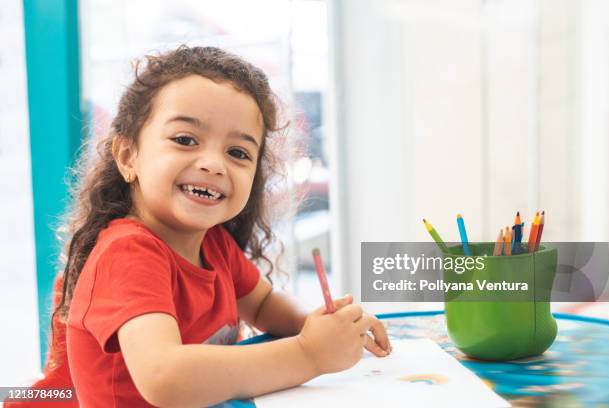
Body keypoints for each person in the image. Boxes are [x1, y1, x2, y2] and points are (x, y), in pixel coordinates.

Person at [11, 46, 391, 407]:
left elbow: (260, 304)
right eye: (185, 139)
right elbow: (165, 377)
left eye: (238, 152)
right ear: (128, 156)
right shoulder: (128, 253)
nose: (213, 163)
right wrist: (309, 354)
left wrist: (323, 326)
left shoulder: (215, 244)